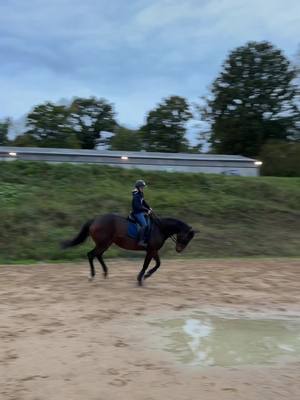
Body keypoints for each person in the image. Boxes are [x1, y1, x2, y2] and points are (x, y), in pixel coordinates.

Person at [132, 180, 152, 247]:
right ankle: (141, 241)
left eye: (143, 187)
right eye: (142, 187)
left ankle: (147, 238)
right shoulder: (136, 196)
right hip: (137, 213)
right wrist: (146, 210)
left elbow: (143, 202)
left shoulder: (141, 194)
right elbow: (138, 206)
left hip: (141, 212)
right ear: (138, 188)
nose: (143, 188)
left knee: (149, 222)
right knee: (144, 225)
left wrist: (149, 207)